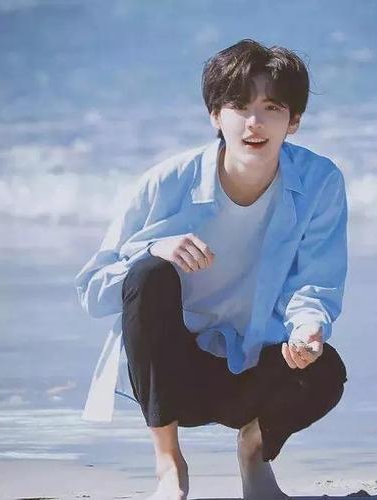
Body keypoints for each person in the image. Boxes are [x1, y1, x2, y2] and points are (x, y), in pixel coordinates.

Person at [75, 39, 348, 500]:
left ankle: (255, 455)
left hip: (254, 366)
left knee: (325, 372)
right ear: (215, 116)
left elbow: (315, 281)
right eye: (239, 106)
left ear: (294, 120)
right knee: (148, 273)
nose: (254, 123)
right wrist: (155, 249)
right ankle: (169, 465)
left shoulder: (320, 182)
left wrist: (307, 328)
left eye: (271, 108)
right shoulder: (166, 182)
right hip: (173, 376)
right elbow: (94, 290)